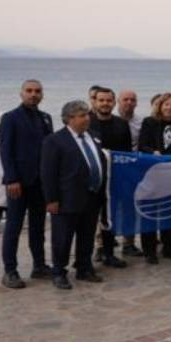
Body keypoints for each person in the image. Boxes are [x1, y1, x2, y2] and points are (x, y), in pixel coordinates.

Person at [40, 100, 108, 290]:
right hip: (66, 198)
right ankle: (59, 272)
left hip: (92, 196)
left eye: (87, 114)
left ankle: (84, 267)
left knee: (87, 235)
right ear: (69, 119)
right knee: (62, 237)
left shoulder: (93, 136)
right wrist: (51, 199)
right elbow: (48, 172)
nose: (87, 118)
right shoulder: (54, 141)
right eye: (82, 115)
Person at [0, 79, 54, 289]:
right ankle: (10, 270)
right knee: (13, 227)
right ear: (21, 93)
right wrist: (11, 178)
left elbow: (50, 150)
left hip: (40, 183)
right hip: (18, 183)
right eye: (29, 91)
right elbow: (6, 150)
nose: (33, 94)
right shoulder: (10, 118)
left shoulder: (46, 119)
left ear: (42, 94)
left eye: (37, 91)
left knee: (38, 227)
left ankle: (39, 266)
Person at [137, 94, 171, 262]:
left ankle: (169, 248)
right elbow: (142, 145)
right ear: (160, 105)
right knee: (150, 213)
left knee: (169, 212)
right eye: (167, 104)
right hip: (152, 173)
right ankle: (149, 251)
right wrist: (152, 152)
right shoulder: (149, 122)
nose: (169, 108)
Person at [87, 87, 131, 268]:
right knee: (88, 220)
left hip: (115, 179)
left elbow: (127, 152)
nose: (105, 103)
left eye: (108, 100)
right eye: (101, 100)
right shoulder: (86, 122)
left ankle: (109, 254)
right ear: (94, 102)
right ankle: (85, 258)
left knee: (109, 218)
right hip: (91, 180)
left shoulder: (121, 123)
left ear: (114, 102)